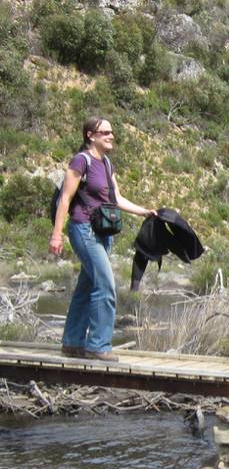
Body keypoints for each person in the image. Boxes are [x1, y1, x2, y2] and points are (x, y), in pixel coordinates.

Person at [49, 117, 156, 361]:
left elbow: (115, 198)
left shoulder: (106, 163)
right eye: (105, 132)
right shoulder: (81, 160)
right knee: (106, 286)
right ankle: (98, 345)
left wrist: (143, 211)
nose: (111, 136)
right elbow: (65, 199)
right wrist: (57, 235)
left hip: (104, 234)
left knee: (86, 288)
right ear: (90, 135)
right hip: (84, 229)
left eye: (112, 132)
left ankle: (72, 342)